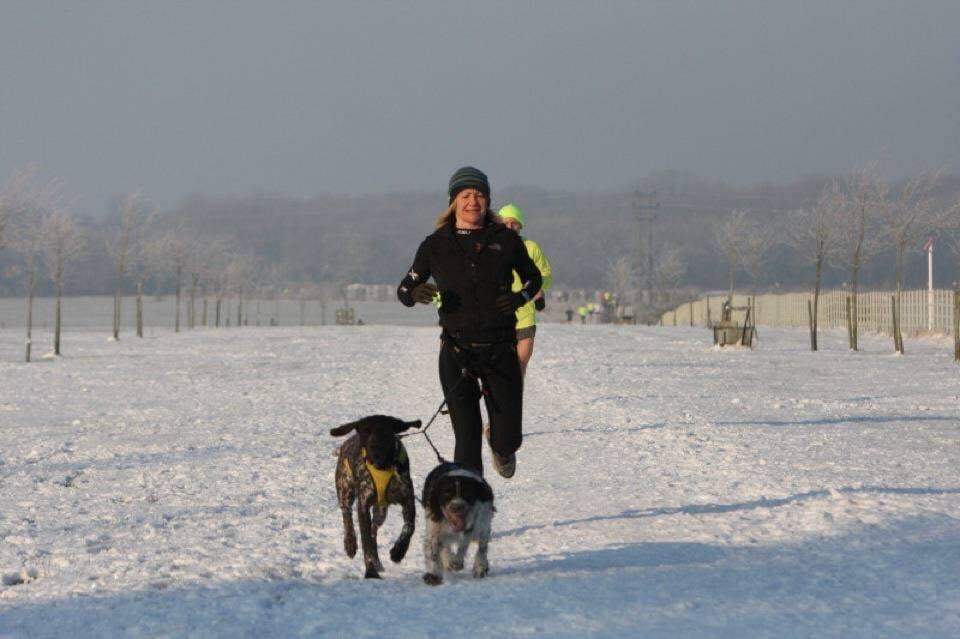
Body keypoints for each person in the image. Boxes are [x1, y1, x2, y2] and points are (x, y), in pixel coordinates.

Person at [397, 167, 542, 478]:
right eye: (465, 195)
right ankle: (470, 516)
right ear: (453, 202)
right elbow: (404, 290)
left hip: (500, 348)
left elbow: (535, 278)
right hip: (456, 350)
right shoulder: (436, 244)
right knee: (466, 439)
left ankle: (501, 447)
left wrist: (520, 298)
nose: (472, 201)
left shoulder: (505, 239)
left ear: (487, 201)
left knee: (509, 438)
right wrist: (416, 293)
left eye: (479, 195)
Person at [496, 203, 552, 378]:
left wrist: (539, 289)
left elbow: (546, 274)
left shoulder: (531, 247)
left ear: (520, 226)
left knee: (520, 363)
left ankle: (514, 400)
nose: (510, 227)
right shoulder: (490, 247)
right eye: (505, 223)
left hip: (525, 315)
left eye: (514, 223)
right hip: (498, 316)